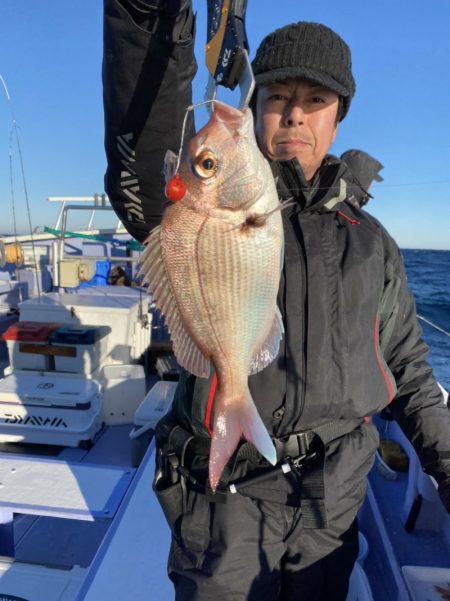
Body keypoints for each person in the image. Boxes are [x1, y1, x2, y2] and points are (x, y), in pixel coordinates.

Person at [102, 2, 450, 600]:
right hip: (224, 504)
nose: (293, 114)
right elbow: (150, 137)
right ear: (256, 106)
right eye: (277, 97)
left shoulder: (372, 244)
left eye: (315, 100)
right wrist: (151, 19)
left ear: (338, 119)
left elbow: (412, 372)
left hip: (332, 502)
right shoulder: (196, 204)